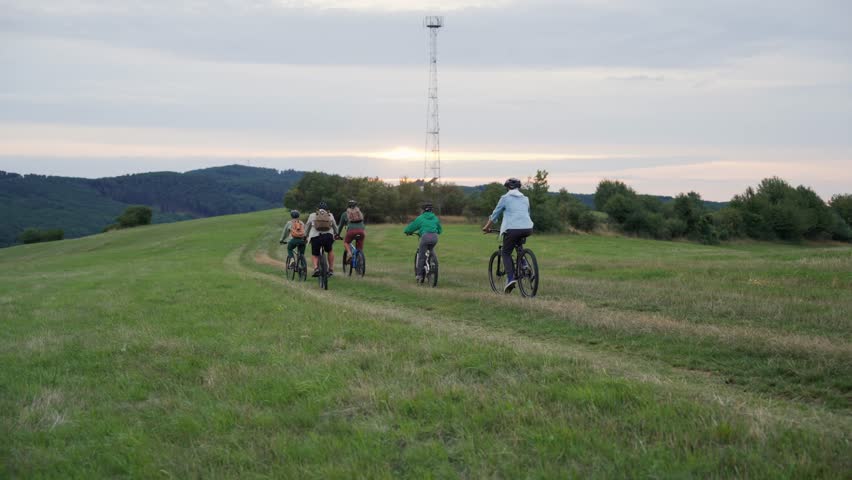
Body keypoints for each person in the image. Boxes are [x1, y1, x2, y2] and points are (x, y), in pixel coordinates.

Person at [482, 178, 534, 293]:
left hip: (512, 229)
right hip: (528, 228)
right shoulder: (526, 199)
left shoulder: (505, 198)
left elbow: (495, 214)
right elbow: (527, 213)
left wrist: (486, 227)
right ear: (519, 187)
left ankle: (510, 279)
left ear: (507, 187)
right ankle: (524, 264)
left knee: (505, 252)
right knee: (518, 246)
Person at [404, 201, 443, 282]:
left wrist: (407, 232)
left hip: (425, 237)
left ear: (423, 210)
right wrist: (436, 231)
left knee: (421, 256)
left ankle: (419, 276)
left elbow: (411, 227)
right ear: (432, 210)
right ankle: (434, 264)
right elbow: (440, 230)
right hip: (435, 237)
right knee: (431, 250)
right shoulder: (435, 218)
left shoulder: (420, 218)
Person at [304, 201, 340, 277]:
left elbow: (307, 227)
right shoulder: (330, 215)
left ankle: (316, 268)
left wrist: (305, 236)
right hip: (328, 236)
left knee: (315, 254)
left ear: (318, 209)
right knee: (330, 251)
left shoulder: (312, 215)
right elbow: (334, 226)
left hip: (316, 237)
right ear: (326, 209)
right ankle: (331, 269)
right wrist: (337, 234)